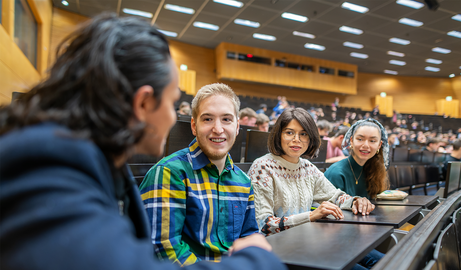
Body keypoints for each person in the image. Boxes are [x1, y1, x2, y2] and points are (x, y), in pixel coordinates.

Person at [0, 14, 285, 270]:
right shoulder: (46, 166)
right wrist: (257, 261)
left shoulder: (86, 160)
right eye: (173, 103)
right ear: (143, 103)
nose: (174, 118)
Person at [139, 83, 262, 266]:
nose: (218, 129)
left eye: (226, 119)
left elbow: (250, 240)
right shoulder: (169, 173)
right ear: (194, 126)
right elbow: (163, 248)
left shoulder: (243, 182)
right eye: (207, 119)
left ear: (237, 127)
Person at [247, 108, 377, 270]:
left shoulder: (308, 167)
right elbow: (264, 225)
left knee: (380, 259)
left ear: (310, 139)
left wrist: (356, 201)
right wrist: (310, 216)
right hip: (282, 253)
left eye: (303, 134)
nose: (297, 140)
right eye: (289, 133)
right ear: (278, 135)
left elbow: (335, 196)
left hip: (309, 242)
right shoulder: (262, 167)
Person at [324, 119, 390, 200]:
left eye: (372, 141)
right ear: (351, 141)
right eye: (360, 139)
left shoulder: (373, 170)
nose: (366, 145)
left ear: (379, 145)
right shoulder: (336, 174)